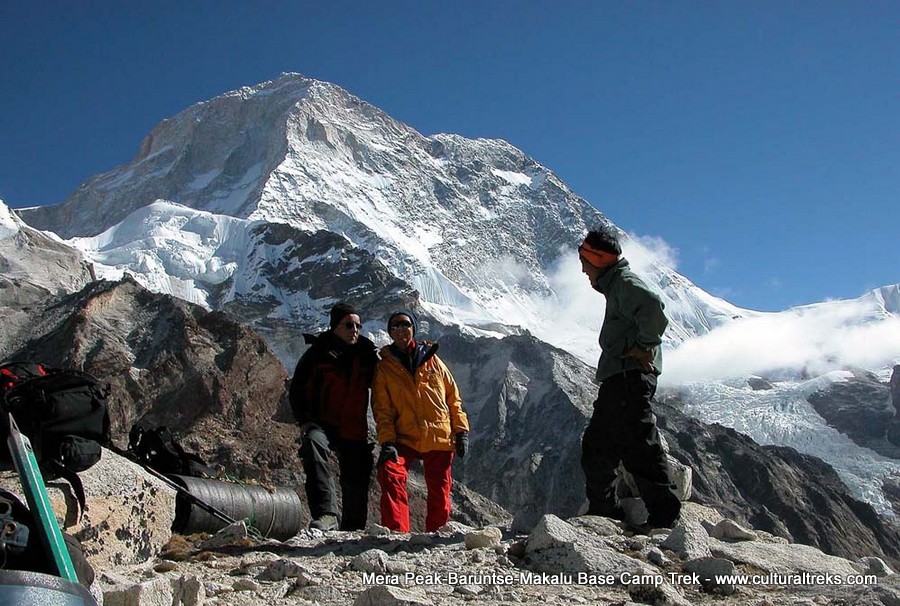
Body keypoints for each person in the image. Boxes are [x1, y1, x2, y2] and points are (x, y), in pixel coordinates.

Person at [578, 226, 681, 529]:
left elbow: (652, 306)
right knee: (598, 446)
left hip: (630, 377)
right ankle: (604, 512)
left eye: (585, 262)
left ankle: (664, 517)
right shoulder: (616, 285)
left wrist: (644, 346)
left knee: (639, 446)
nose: (583, 270)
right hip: (619, 378)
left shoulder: (624, 283)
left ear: (598, 260)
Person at [372, 309, 469, 532]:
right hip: (405, 436)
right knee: (390, 471)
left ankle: (436, 536)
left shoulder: (433, 360)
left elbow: (453, 397)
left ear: (413, 328)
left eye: (405, 324)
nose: (401, 329)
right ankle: (397, 533)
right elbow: (382, 409)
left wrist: (461, 429)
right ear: (390, 332)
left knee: (440, 489)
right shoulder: (384, 368)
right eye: (395, 326)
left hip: (438, 434)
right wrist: (387, 442)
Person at [289, 303, 379, 531]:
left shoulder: (367, 355)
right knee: (314, 446)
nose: (354, 330)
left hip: (354, 428)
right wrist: (305, 421)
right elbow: (297, 389)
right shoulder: (317, 353)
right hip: (323, 424)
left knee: (358, 472)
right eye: (349, 325)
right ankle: (326, 514)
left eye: (358, 326)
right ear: (335, 326)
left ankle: (353, 528)